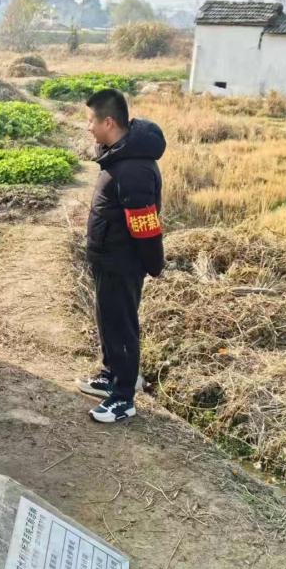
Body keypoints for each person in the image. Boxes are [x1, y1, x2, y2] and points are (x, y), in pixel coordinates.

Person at [76, 89, 165, 423]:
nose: (88, 127)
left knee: (122, 326)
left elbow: (146, 227)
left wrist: (153, 265)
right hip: (108, 260)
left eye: (91, 121)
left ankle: (124, 397)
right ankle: (112, 375)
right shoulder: (117, 156)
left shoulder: (133, 170)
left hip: (122, 263)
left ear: (109, 122)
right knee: (108, 320)